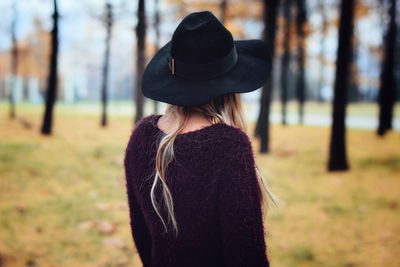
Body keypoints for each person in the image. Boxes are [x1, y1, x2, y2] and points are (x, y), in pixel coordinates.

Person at [124, 10, 280, 267]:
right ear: (230, 84)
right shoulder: (229, 148)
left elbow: (142, 236)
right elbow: (247, 257)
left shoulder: (141, 137)